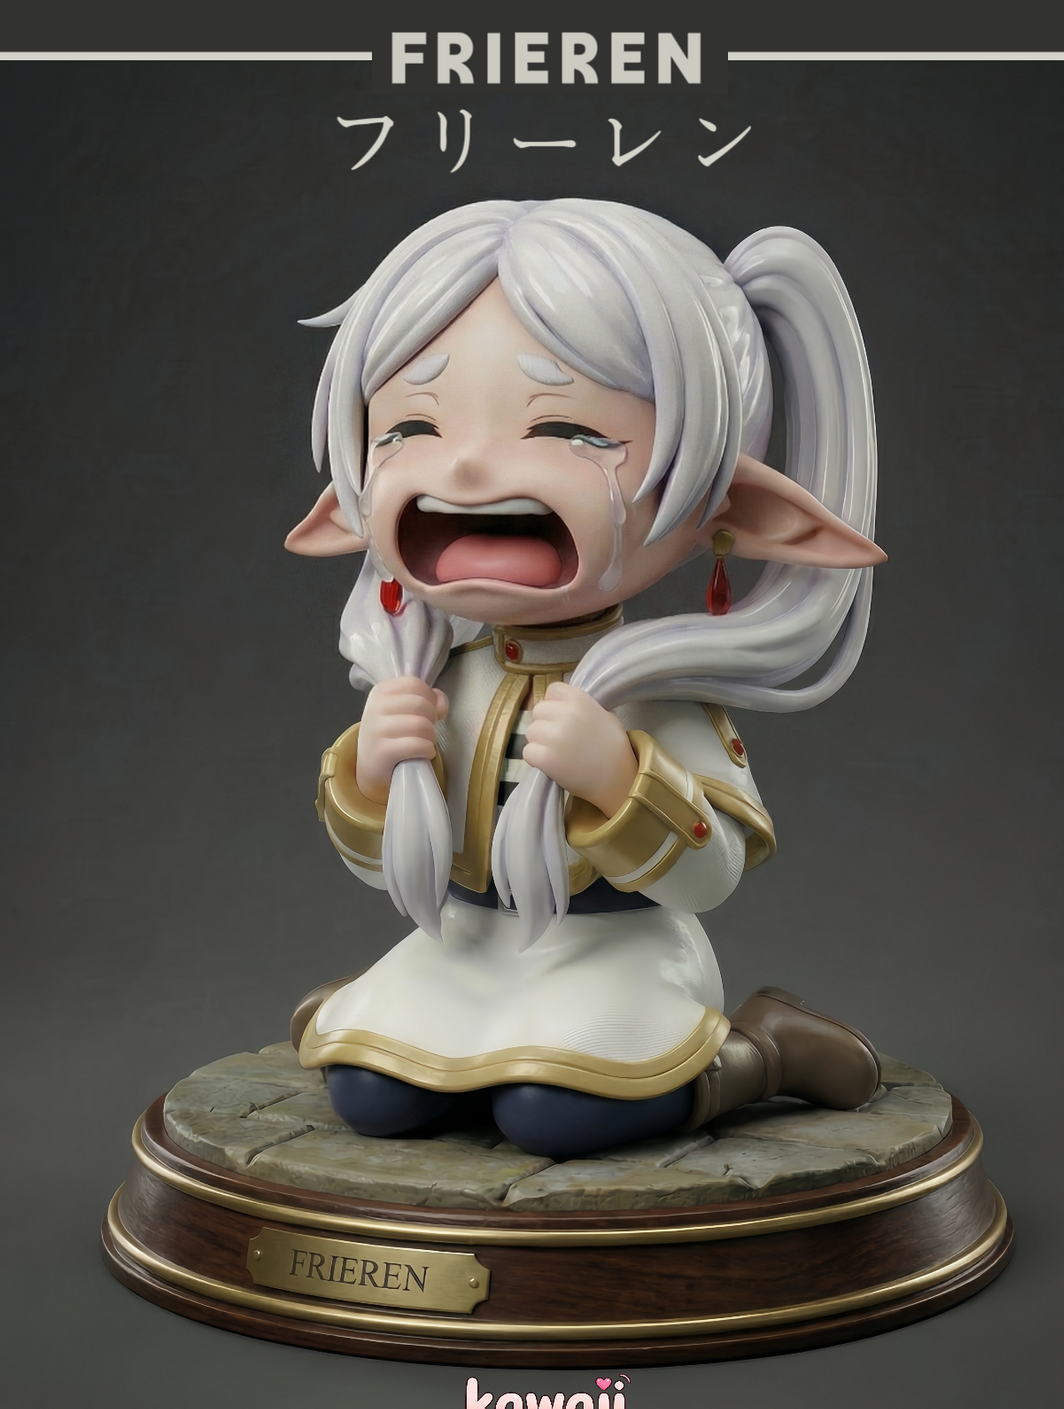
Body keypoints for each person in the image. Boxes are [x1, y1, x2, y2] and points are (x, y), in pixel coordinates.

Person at [285, 199, 885, 1158]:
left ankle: (763, 1051)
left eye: (565, 425)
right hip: (467, 942)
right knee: (370, 1101)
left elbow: (712, 875)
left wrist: (618, 776)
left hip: (618, 952)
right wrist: (372, 769)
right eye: (413, 426)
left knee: (560, 1116)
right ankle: (387, 1029)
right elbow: (376, 859)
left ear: (725, 504)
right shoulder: (435, 673)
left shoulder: (656, 699)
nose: (468, 466)